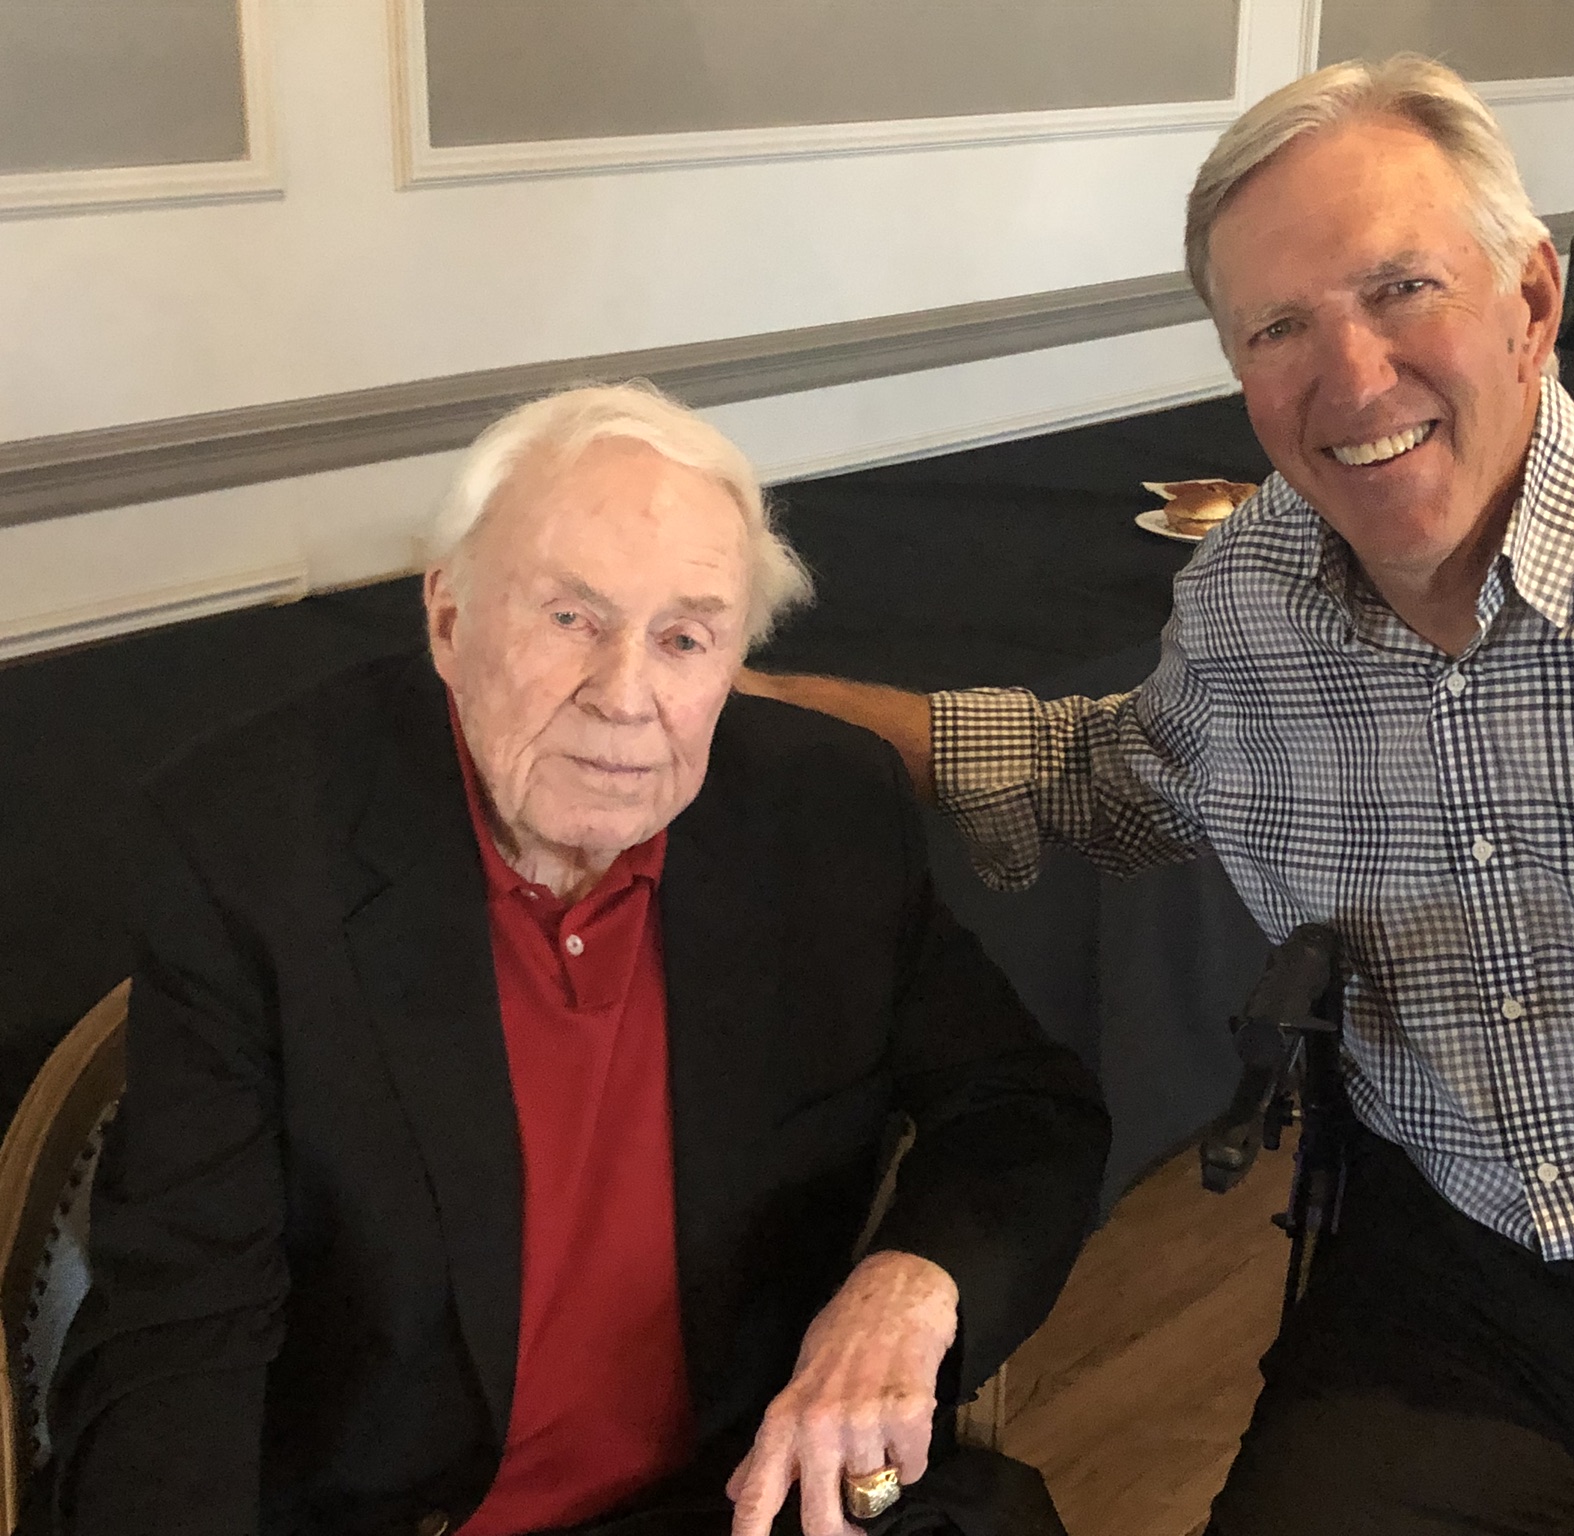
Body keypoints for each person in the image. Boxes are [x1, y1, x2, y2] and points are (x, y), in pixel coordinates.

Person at [743, 54, 1574, 1536]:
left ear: (1532, 301)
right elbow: (1110, 776)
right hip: (1449, 1279)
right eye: (1278, 327)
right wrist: (755, 700)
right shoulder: (1250, 602)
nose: (1352, 378)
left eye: (1401, 289)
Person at [48, 384, 1109, 1536]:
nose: (624, 697)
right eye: (569, 619)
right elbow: (179, 1334)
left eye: (684, 639)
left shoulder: (821, 816)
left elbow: (1022, 1106)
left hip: (725, 1499)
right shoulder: (256, 848)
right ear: (448, 621)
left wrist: (910, 1287)